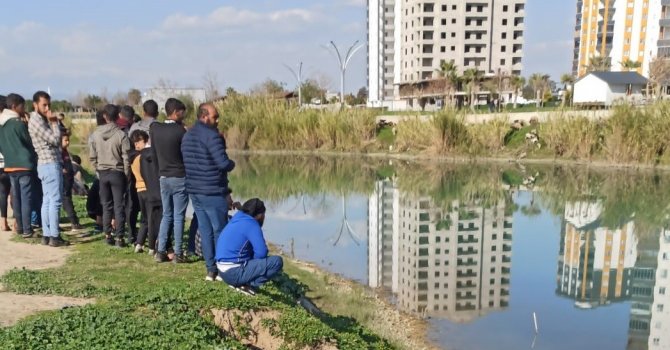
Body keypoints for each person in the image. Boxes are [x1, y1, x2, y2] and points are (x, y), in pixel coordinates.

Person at [181, 103, 236, 281]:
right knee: (220, 230)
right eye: (215, 116)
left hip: (195, 190)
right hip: (212, 190)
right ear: (204, 116)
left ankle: (210, 269)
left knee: (205, 230)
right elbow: (222, 163)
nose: (217, 119)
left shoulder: (188, 135)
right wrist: (231, 164)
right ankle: (222, 268)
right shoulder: (212, 136)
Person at [215, 198, 283, 295]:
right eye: (263, 215)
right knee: (277, 262)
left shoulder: (238, 216)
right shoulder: (252, 224)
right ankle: (249, 285)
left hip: (221, 270)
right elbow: (261, 253)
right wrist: (254, 261)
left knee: (248, 249)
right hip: (233, 273)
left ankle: (242, 281)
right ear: (259, 215)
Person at [150, 98, 188, 263]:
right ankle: (178, 253)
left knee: (167, 214)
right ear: (176, 112)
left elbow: (153, 153)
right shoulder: (181, 132)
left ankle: (160, 251)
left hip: (163, 177)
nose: (183, 115)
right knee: (179, 216)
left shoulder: (156, 129)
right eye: (182, 112)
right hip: (179, 176)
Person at [29, 91, 68, 246]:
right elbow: (53, 140)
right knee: (55, 201)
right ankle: (54, 236)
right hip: (50, 163)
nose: (47, 108)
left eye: (48, 105)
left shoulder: (38, 119)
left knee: (47, 200)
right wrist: (54, 123)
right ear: (35, 105)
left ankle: (47, 234)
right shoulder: (37, 121)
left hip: (45, 164)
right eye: (44, 105)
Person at [89, 104, 131, 247]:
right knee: (119, 206)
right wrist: (126, 174)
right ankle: (120, 237)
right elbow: (126, 157)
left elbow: (92, 156)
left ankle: (107, 235)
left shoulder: (95, 134)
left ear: (105, 116)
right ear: (118, 116)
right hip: (117, 172)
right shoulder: (121, 134)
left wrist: (98, 169)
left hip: (103, 173)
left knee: (106, 205)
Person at [0, 94, 37, 239]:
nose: (24, 109)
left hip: (9, 166)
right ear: (15, 106)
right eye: (22, 106)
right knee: (26, 198)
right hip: (24, 165)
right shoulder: (18, 124)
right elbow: (29, 143)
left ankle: (20, 227)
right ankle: (28, 229)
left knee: (16, 197)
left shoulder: (2, 125)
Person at [130, 130, 162, 255]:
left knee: (144, 218)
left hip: (139, 189)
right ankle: (152, 246)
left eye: (139, 142)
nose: (137, 144)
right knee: (151, 218)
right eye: (135, 142)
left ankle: (139, 243)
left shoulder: (133, 156)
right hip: (147, 188)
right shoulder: (143, 156)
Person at [60, 131, 83, 231]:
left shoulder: (65, 151)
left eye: (68, 140)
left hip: (69, 180)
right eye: (65, 140)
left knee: (68, 200)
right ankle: (74, 223)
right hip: (64, 180)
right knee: (66, 200)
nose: (68, 142)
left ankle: (74, 222)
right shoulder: (59, 152)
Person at [0, 95, 10, 231]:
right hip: (8, 161)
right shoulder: (7, 122)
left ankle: (3, 221)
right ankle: (18, 222)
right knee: (11, 191)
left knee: (2, 192)